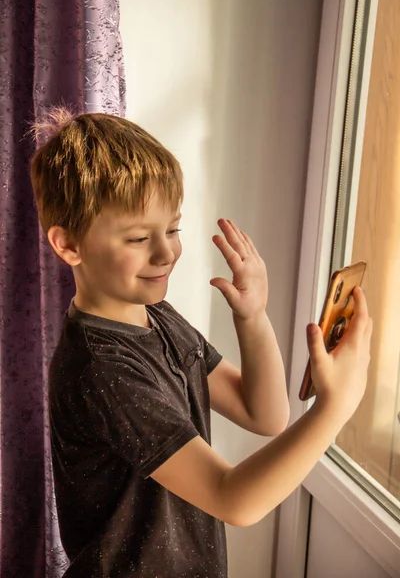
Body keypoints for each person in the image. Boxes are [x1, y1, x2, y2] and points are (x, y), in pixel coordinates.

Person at [29, 108, 373, 578]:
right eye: (137, 238)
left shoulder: (155, 317)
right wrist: (336, 408)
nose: (166, 252)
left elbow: (265, 414)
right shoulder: (102, 369)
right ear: (68, 245)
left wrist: (251, 318)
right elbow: (235, 499)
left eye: (172, 229)